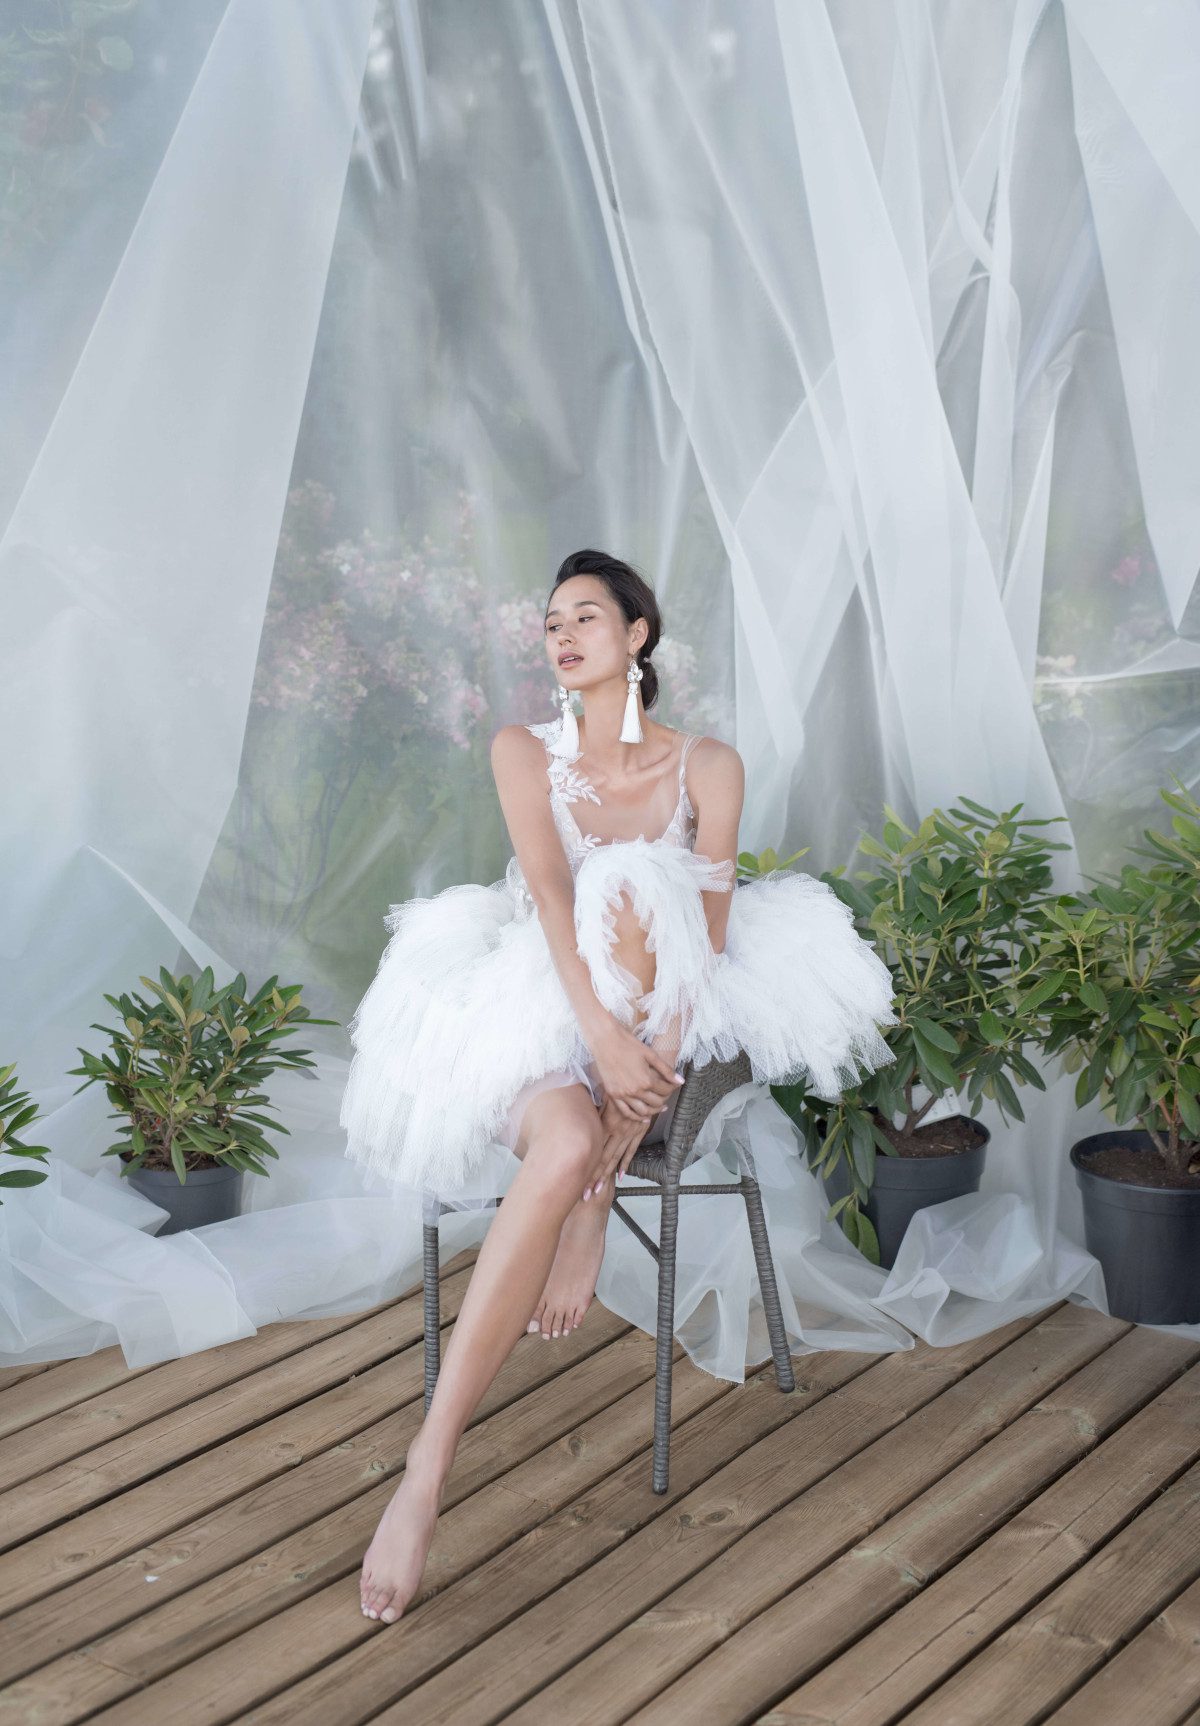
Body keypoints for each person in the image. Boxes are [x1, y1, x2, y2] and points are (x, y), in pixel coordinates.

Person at [339, 548, 899, 1624]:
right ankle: (425, 1473)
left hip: (677, 998)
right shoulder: (524, 751)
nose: (561, 632)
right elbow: (550, 898)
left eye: (586, 615)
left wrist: (646, 1047)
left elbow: (712, 940)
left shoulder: (710, 765)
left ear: (638, 635)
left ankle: (589, 1190)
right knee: (596, 928)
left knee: (644, 882)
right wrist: (596, 1032)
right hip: (544, 996)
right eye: (550, 619)